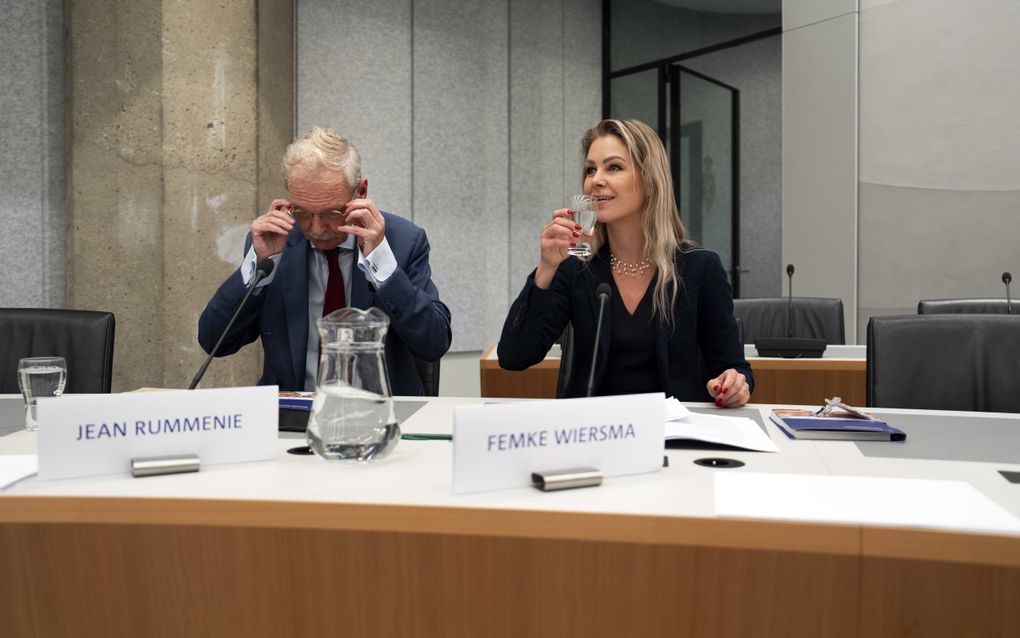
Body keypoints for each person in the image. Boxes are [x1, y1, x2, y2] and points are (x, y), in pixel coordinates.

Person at [497, 119, 752, 407]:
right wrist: (546, 268)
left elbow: (735, 369)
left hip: (673, 435)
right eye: (590, 169)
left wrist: (735, 384)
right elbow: (513, 356)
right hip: (594, 435)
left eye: (613, 167)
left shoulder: (699, 268)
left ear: (650, 181)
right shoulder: (576, 269)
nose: (596, 179)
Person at [199, 128, 451, 394]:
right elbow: (215, 341)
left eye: (332, 212)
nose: (317, 229)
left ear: (361, 192)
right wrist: (258, 264)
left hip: (381, 415)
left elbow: (434, 343)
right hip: (293, 418)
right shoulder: (275, 243)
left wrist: (381, 264)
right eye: (303, 212)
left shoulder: (403, 242)